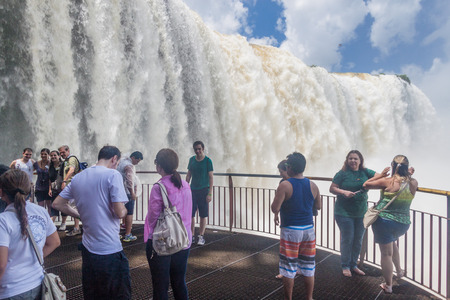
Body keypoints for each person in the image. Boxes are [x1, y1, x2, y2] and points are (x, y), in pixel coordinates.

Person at [53, 145, 131, 299]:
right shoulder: (113, 175)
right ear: (114, 159)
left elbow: (57, 204)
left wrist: (80, 215)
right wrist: (126, 211)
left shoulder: (78, 177)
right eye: (117, 162)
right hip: (110, 250)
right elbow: (119, 212)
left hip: (88, 252)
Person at [0, 169, 60, 299]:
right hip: (37, 283)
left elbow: (1, 264)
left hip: (11, 290)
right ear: (28, 189)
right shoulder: (41, 211)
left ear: (1, 192)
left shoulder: (3, 221)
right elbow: (55, 242)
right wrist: (30, 259)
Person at [363, 155, 418, 294]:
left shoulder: (387, 181)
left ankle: (388, 285)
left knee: (386, 254)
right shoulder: (413, 183)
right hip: (403, 224)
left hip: (385, 222)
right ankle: (399, 272)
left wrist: (380, 175)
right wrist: (408, 174)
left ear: (393, 166)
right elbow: (406, 180)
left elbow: (365, 184)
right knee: (392, 244)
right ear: (407, 168)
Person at [271, 152, 321, 300]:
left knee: (288, 268)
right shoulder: (313, 185)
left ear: (290, 168)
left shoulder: (285, 185)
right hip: (308, 230)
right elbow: (318, 206)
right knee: (308, 266)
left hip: (291, 230)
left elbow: (275, 208)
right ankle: (309, 297)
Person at [144, 148, 192, 300]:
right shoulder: (185, 184)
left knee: (160, 286)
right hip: (183, 240)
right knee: (179, 283)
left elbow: (152, 217)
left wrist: (148, 239)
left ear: (159, 167)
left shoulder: (159, 187)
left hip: (162, 242)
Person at [329, 150, 376, 277]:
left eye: (356, 158)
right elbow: (332, 188)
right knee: (347, 239)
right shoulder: (342, 173)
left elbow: (380, 177)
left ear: (360, 161)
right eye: (350, 158)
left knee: (358, 240)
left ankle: (353, 265)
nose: (353, 161)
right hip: (344, 213)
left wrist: (369, 184)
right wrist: (344, 192)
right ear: (347, 160)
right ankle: (345, 265)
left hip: (361, 213)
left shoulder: (366, 172)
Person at [185, 141, 213, 246]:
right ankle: (191, 235)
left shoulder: (208, 161)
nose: (198, 151)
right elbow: (188, 175)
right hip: (192, 190)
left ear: (203, 149)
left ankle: (201, 236)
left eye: (199, 149)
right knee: (191, 214)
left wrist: (210, 193)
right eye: (196, 149)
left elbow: (211, 177)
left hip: (204, 190)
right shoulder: (191, 160)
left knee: (203, 214)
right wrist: (185, 188)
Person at [117, 151, 143, 242]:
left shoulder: (121, 162)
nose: (137, 163)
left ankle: (117, 233)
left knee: (119, 211)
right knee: (129, 213)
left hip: (119, 191)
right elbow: (130, 180)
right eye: (137, 161)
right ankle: (128, 234)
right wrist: (132, 193)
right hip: (127, 192)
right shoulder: (129, 166)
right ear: (133, 158)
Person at [58, 145, 81, 235]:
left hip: (73, 186)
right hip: (70, 186)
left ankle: (76, 228)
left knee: (73, 207)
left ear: (68, 150)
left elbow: (71, 170)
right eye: (60, 153)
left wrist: (64, 181)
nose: (62, 154)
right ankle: (76, 227)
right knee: (71, 206)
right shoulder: (67, 160)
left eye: (63, 152)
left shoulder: (71, 159)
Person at [33, 148, 52, 215]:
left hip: (48, 187)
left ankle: (49, 220)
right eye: (42, 154)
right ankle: (42, 220)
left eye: (45, 154)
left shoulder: (51, 163)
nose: (43, 155)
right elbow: (29, 170)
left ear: (49, 155)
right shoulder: (36, 163)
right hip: (39, 187)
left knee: (49, 206)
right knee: (40, 206)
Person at [48, 150, 65, 222]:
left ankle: (63, 223)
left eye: (55, 155)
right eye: (51, 155)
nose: (53, 157)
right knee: (53, 206)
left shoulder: (63, 164)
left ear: (59, 156)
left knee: (63, 206)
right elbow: (50, 179)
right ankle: (51, 224)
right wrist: (50, 189)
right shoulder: (50, 166)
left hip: (62, 188)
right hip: (54, 189)